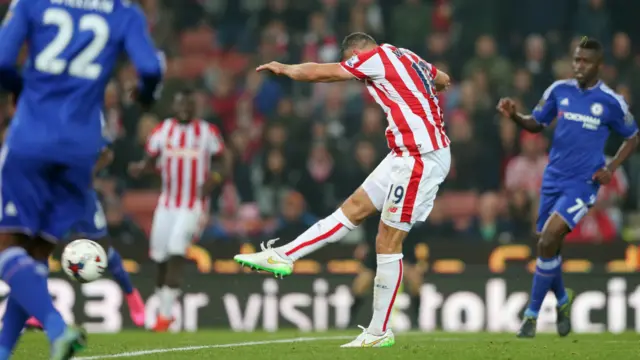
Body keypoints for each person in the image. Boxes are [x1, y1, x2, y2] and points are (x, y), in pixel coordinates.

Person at [233, 32, 451, 347]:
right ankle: (283, 255)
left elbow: (324, 72)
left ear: (356, 52)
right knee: (352, 209)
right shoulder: (408, 55)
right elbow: (442, 77)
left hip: (421, 157)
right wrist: (431, 92)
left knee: (387, 241)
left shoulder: (371, 58)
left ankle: (378, 332)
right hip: (404, 153)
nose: (360, 77)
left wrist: (287, 69)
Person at [0, 0, 163, 357]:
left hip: (32, 137)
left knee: (7, 246)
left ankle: (57, 327)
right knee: (36, 254)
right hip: (80, 147)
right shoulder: (123, 12)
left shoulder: (32, 3)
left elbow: (1, 60)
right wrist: (146, 97)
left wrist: (21, 90)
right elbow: (150, 68)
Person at [496, 37, 639, 338]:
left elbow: (633, 135)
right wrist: (515, 117)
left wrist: (611, 168)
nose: (578, 66)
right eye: (576, 60)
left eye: (585, 61)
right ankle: (562, 300)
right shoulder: (558, 91)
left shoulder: (611, 101)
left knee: (548, 240)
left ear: (598, 66)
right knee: (548, 246)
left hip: (582, 184)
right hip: (553, 178)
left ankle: (531, 316)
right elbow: (536, 124)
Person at [128, 90, 226, 332]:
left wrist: (213, 178)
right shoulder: (163, 131)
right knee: (160, 257)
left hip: (193, 205)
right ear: (174, 105)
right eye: (180, 103)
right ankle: (165, 313)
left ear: (195, 107)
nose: (184, 108)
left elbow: (223, 159)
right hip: (167, 204)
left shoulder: (207, 132)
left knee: (175, 250)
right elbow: (150, 160)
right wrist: (140, 168)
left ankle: (164, 316)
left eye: (189, 104)